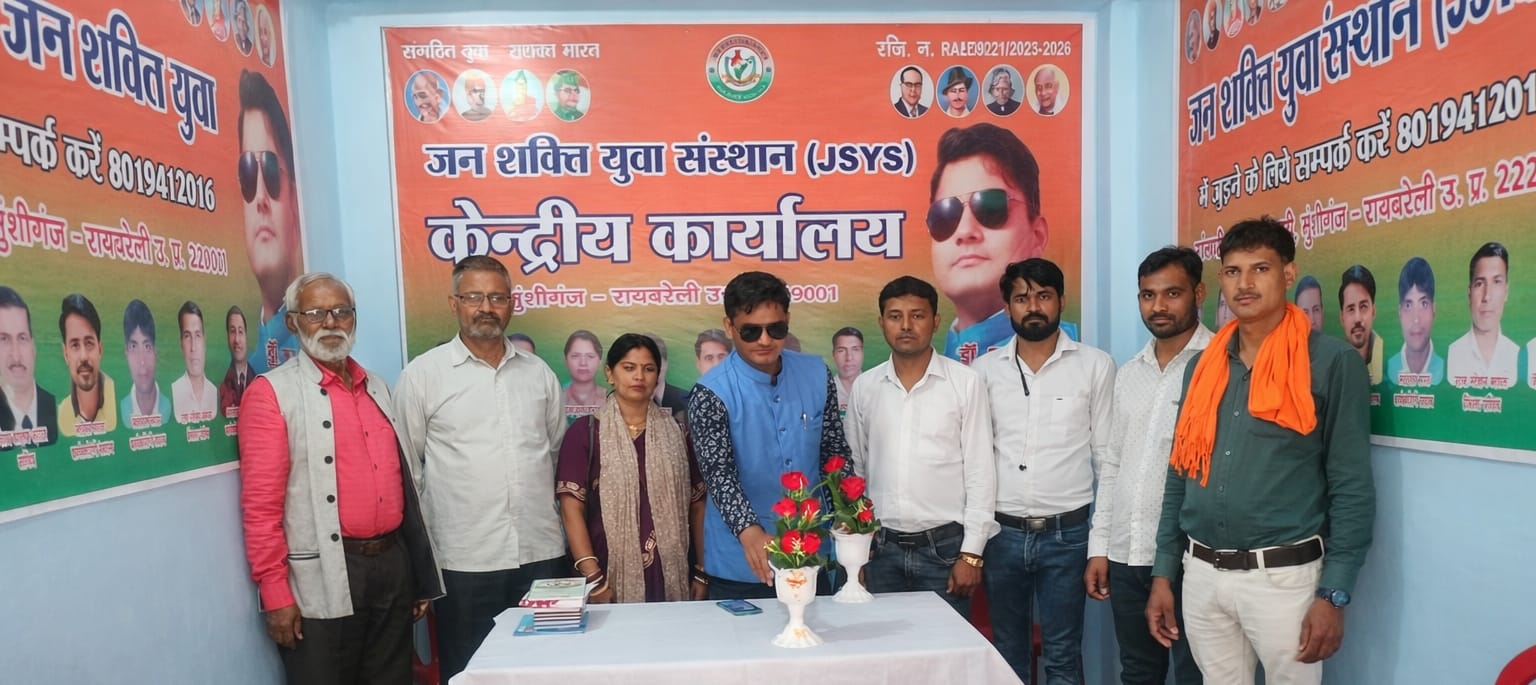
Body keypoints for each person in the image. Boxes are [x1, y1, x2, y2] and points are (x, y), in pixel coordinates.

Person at [1147, 217, 1375, 685]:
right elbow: (1180, 474)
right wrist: (1164, 572)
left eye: (1260, 269)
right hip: (1202, 574)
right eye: (1233, 271)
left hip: (1284, 581)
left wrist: (1334, 594)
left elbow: (1351, 487)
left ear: (1288, 274)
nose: (1244, 284)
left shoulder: (1332, 364)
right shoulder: (1201, 369)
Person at [239, 272, 442, 684]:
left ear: (354, 319)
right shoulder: (271, 394)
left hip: (391, 566)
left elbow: (405, 486)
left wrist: (416, 576)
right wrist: (275, 595)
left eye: (341, 312)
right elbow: (261, 508)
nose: (330, 323)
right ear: (293, 322)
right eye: (315, 313)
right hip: (322, 574)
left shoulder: (376, 387)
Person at [392, 256, 566, 684]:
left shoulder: (538, 374)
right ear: (454, 303)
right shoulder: (423, 376)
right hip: (464, 561)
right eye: (474, 297)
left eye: (497, 297)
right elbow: (408, 472)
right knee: (471, 673)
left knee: (548, 671)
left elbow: (555, 455)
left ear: (511, 304)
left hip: (542, 555)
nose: (486, 307)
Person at [976, 258, 1114, 684]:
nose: (1033, 306)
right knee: (1007, 655)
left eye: (1043, 296)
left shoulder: (1095, 366)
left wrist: (1099, 546)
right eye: (1021, 298)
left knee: (1063, 656)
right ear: (1007, 307)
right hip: (1001, 536)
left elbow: (1107, 461)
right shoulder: (982, 372)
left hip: (1067, 536)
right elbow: (974, 462)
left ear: (1061, 301)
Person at [687, 271, 852, 600]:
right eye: (751, 331)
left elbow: (833, 452)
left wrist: (848, 515)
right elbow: (719, 476)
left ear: (787, 321)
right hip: (741, 561)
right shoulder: (709, 393)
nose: (764, 340)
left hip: (810, 553)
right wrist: (749, 531)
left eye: (775, 329)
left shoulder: (817, 373)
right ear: (729, 326)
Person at [1085, 247, 1209, 685]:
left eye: (1172, 293)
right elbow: (1113, 463)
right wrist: (1100, 546)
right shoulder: (1129, 372)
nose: (1158, 306)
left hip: (1191, 556)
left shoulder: (1219, 365)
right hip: (1127, 552)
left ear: (1198, 294)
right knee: (1138, 672)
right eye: (1147, 295)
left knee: (1197, 674)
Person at [848, 276, 995, 618]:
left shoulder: (965, 383)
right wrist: (856, 552)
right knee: (882, 645)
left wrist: (971, 554)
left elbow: (980, 472)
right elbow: (855, 472)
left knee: (946, 649)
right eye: (895, 316)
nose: (906, 325)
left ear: (936, 321)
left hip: (945, 550)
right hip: (880, 550)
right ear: (881, 323)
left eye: (917, 315)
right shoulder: (866, 387)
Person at [557, 333, 707, 604]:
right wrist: (594, 579)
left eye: (648, 369)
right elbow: (571, 509)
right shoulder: (585, 433)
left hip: (672, 574)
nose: (639, 376)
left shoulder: (678, 433)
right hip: (606, 575)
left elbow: (698, 505)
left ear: (657, 377)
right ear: (609, 373)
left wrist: (701, 571)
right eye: (629, 367)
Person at [928, 123, 1078, 365]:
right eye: (945, 215)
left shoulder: (1077, 361)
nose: (965, 231)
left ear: (1038, 235)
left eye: (990, 207)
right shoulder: (934, 366)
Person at [239, 70, 302, 374]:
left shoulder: (320, 351)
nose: (260, 198)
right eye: (248, 174)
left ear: (295, 202)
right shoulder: (241, 363)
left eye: (272, 172)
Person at [1447, 242, 1517, 389]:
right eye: (1479, 284)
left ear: (1506, 291)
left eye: (1497, 282)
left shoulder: (1517, 355)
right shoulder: (1451, 354)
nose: (1487, 296)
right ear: (1469, 293)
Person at [0, 286, 58, 445]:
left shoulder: (56, 405)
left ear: (33, 346)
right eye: (4, 339)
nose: (16, 355)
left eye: (22, 338)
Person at [57, 293, 117, 436]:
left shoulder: (116, 398)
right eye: (75, 345)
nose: (83, 356)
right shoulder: (62, 414)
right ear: (65, 354)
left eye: (89, 343)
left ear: (100, 349)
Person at [1385, 257, 1444, 387]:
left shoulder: (1446, 369)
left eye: (1423, 304)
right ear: (1399, 312)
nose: (1416, 319)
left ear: (1434, 309)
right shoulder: (1388, 368)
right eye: (1408, 305)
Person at [119, 300, 170, 425]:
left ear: (155, 350)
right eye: (134, 347)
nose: (142, 361)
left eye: (147, 346)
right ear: (126, 352)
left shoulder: (170, 406)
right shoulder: (120, 410)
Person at [171, 301, 219, 423]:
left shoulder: (215, 392)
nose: (193, 347)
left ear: (204, 341)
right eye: (187, 336)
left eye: (197, 336)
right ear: (181, 343)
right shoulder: (174, 391)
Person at [1338, 265, 1383, 385]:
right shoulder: (1334, 368)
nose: (1357, 318)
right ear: (1342, 318)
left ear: (1373, 311)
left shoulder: (1388, 361)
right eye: (1351, 309)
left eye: (1363, 307)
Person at [219, 306, 257, 419]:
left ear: (246, 336)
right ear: (227, 337)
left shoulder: (257, 380)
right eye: (232, 332)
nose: (236, 340)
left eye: (240, 332)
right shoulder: (222, 385)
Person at [643, 332, 689, 417]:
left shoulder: (687, 401)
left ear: (666, 364)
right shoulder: (622, 402)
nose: (652, 370)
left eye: (657, 363)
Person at [562, 330, 604, 420]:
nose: (583, 363)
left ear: (600, 361)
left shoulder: (610, 399)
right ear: (565, 360)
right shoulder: (556, 399)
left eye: (590, 356)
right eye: (575, 356)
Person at [831, 326, 864, 419]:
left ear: (863, 352)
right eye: (841, 350)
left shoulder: (876, 388)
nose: (849, 357)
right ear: (833, 355)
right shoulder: (825, 391)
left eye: (855, 349)